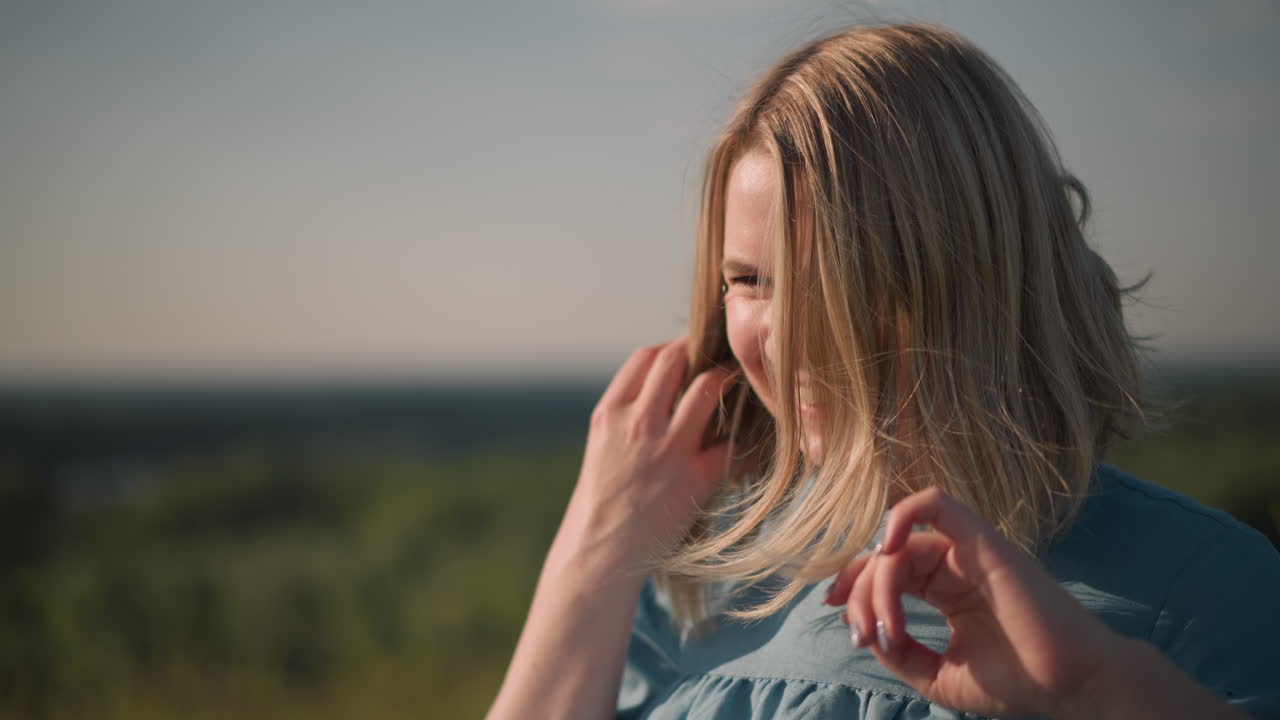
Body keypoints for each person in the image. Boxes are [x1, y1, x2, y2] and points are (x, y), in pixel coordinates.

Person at [486, 22, 1280, 719]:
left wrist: (1104, 691)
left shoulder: (1206, 590)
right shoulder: (709, 583)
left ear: (978, 274)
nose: (786, 340)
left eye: (837, 278)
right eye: (748, 281)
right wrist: (595, 549)